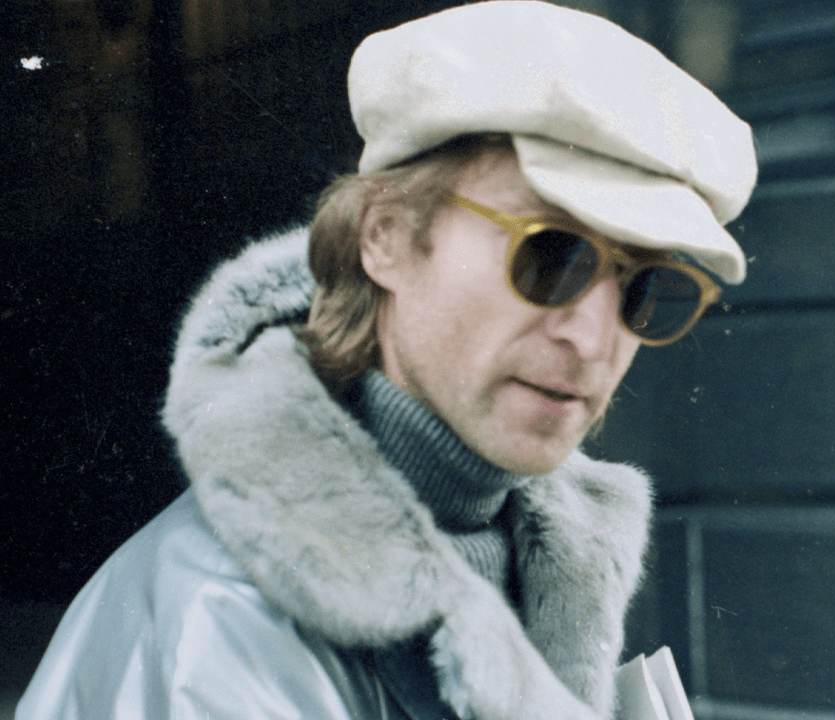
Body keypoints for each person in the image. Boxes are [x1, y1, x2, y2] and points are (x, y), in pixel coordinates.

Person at [17, 2, 756, 719]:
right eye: (550, 256)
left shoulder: (540, 566)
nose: (593, 341)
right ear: (387, 237)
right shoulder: (221, 619)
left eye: (642, 286)